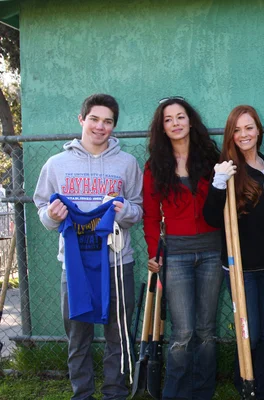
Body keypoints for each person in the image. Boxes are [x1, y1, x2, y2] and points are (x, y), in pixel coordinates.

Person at [33, 93, 143, 400]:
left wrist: (125, 212)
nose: (100, 126)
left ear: (114, 126)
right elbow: (43, 208)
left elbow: (138, 208)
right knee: (78, 336)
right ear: (82, 119)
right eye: (94, 119)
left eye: (108, 121)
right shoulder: (56, 164)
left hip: (118, 263)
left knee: (118, 335)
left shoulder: (127, 164)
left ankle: (115, 393)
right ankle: (81, 394)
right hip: (75, 265)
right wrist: (51, 216)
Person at [203, 105, 264, 400]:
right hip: (242, 268)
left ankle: (262, 390)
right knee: (246, 334)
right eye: (237, 130)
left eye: (249, 127)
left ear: (259, 130)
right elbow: (212, 218)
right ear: (230, 135)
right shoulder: (229, 170)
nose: (244, 134)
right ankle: (246, 386)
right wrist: (218, 183)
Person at [143, 97, 222, 400]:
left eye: (180, 117)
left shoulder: (210, 159)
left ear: (191, 121)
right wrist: (154, 252)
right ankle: (176, 393)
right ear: (162, 127)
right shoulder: (155, 166)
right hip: (175, 255)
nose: (175, 123)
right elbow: (150, 215)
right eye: (168, 119)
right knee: (183, 332)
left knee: (205, 329)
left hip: (212, 253)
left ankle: (203, 391)